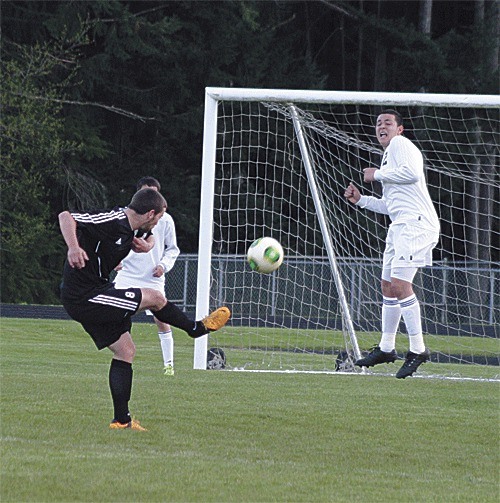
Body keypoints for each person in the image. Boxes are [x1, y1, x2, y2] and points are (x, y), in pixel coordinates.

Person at [59, 188, 230, 430]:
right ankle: (195, 328)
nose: (158, 223)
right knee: (154, 297)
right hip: (84, 296)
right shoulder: (113, 219)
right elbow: (66, 216)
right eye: (159, 218)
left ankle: (121, 421)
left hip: (96, 291)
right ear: (150, 213)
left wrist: (148, 246)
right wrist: (73, 248)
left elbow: (147, 238)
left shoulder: (136, 227)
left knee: (126, 351)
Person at [344, 109, 439, 378]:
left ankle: (418, 349)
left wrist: (377, 175)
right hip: (399, 225)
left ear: (400, 129)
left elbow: (411, 173)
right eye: (378, 123)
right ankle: (387, 348)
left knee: (400, 285)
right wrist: (361, 200)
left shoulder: (401, 145)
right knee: (387, 285)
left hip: (416, 225)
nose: (381, 126)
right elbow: (390, 205)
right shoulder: (388, 159)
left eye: (388, 122)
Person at [114, 177, 180, 376]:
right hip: (127, 274)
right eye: (147, 192)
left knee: (162, 319)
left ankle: (168, 365)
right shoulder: (125, 216)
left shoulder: (165, 220)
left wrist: (163, 266)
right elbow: (114, 241)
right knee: (114, 315)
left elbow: (173, 249)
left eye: (155, 193)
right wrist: (115, 260)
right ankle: (121, 356)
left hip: (152, 278)